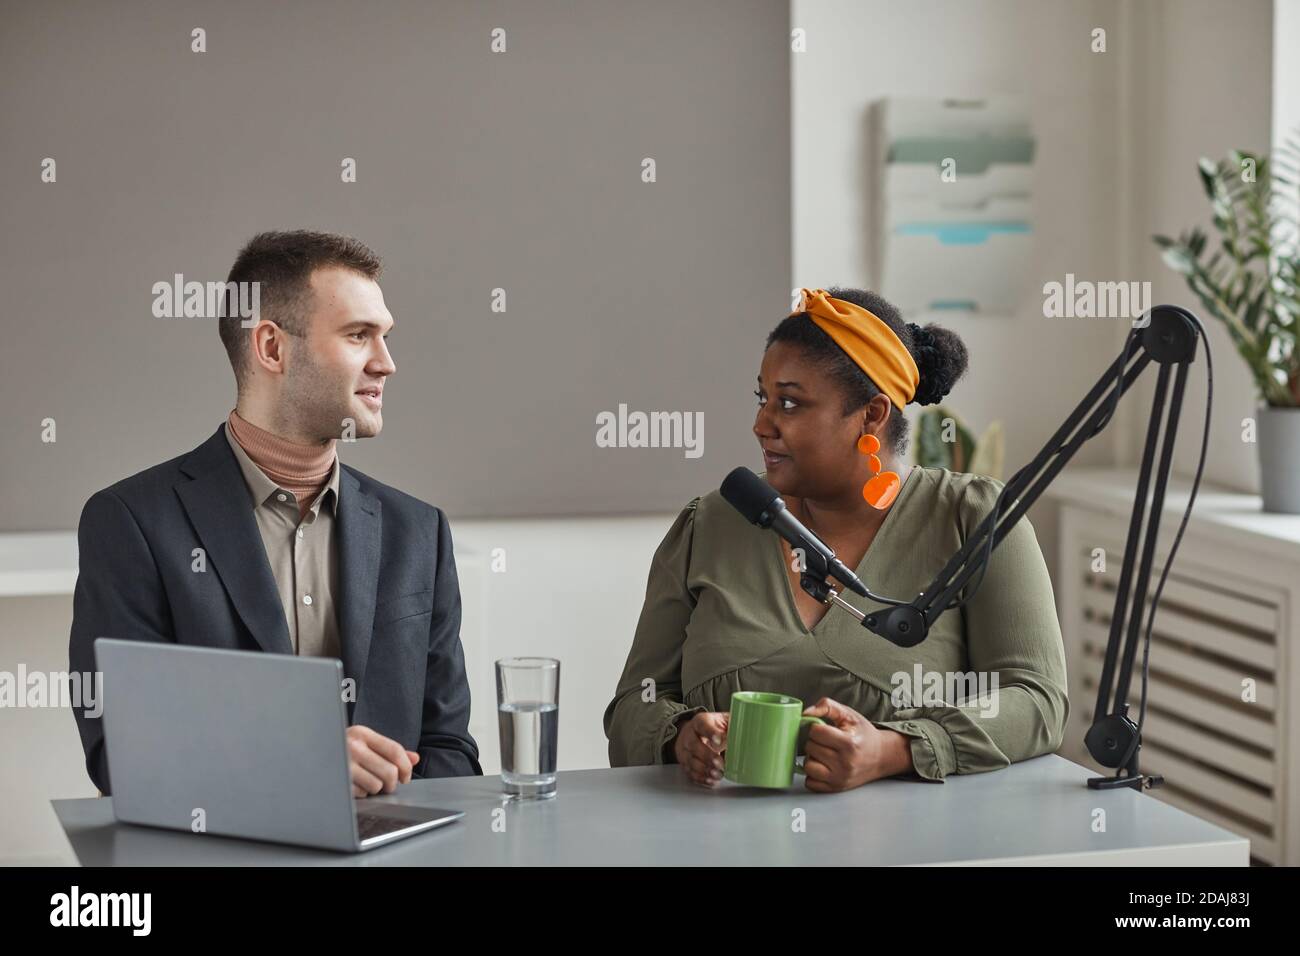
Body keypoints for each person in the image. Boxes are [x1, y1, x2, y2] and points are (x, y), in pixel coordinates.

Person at [604, 287, 1068, 792]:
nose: (761, 425)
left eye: (789, 403)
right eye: (763, 399)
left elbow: (1036, 698)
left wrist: (894, 750)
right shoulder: (709, 525)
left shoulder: (974, 520)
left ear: (871, 415)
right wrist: (678, 737)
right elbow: (635, 703)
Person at [69, 230, 480, 797]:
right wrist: (304, 759)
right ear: (271, 348)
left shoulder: (419, 532)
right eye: (359, 335)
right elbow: (121, 752)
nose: (387, 363)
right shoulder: (131, 522)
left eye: (384, 337)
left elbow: (451, 753)